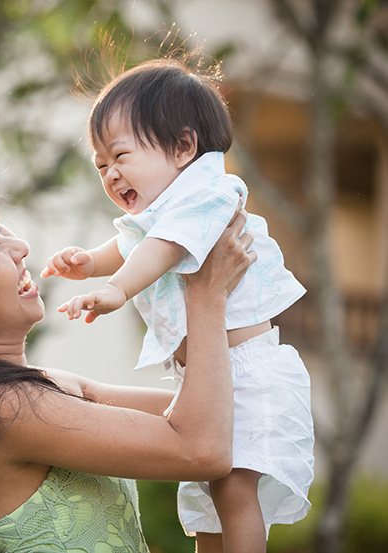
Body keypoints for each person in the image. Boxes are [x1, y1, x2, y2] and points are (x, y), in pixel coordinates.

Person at [0, 169, 256, 553]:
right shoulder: (6, 410)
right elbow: (202, 449)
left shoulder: (38, 387)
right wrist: (204, 295)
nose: (20, 247)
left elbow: (221, 419)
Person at [42, 59, 314, 552]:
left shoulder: (208, 194)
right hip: (209, 378)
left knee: (233, 490)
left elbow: (162, 247)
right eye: (101, 164)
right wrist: (88, 264)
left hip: (246, 372)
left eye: (121, 155)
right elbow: (132, 245)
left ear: (184, 147)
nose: (110, 173)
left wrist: (116, 290)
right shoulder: (161, 213)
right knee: (208, 506)